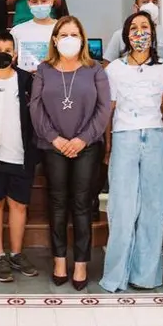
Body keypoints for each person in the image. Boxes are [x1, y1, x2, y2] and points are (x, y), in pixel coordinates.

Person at [30, 16, 111, 291]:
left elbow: (103, 109)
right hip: (52, 147)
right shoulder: (43, 69)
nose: (68, 39)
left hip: (86, 147)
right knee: (57, 203)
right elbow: (35, 107)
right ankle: (59, 259)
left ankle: (81, 263)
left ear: (82, 38)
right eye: (63, 34)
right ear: (54, 39)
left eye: (74, 34)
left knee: (81, 203)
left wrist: (82, 139)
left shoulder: (95, 70)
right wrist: (54, 138)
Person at [100, 11, 163, 292]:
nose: (139, 32)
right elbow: (109, 111)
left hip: (155, 138)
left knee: (154, 207)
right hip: (124, 137)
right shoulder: (114, 69)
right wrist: (107, 147)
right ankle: (116, 275)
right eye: (134, 28)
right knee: (122, 207)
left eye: (145, 27)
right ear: (126, 35)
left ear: (153, 34)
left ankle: (146, 275)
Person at [0, 32, 39, 283]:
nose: (3, 52)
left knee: (19, 205)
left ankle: (16, 252)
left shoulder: (26, 80)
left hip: (21, 155)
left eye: (8, 49)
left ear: (15, 54)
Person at [103, 0, 163, 65]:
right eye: (145, 2)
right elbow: (107, 66)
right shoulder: (119, 35)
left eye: (155, 2)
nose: (151, 5)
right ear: (136, 8)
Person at [10, 0, 57, 73]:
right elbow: (11, 60)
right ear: (28, 4)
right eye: (34, 2)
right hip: (26, 82)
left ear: (51, 1)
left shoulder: (63, 29)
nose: (39, 5)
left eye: (43, 1)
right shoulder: (17, 30)